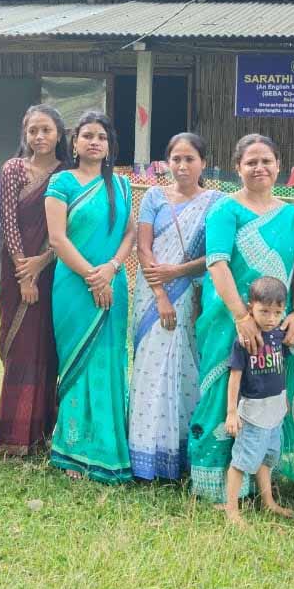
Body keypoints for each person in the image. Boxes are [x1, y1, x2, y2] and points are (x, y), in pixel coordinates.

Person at [188, 134, 294, 505]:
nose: (259, 168)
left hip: (276, 325)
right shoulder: (225, 210)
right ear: (237, 168)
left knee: (267, 389)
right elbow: (217, 264)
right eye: (251, 162)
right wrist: (241, 316)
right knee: (224, 389)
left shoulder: (290, 215)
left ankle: (260, 480)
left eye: (266, 161)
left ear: (278, 166)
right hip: (227, 318)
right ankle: (214, 481)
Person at [44, 111, 136, 482]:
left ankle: (108, 446)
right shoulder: (62, 182)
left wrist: (110, 269)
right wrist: (92, 277)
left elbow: (129, 234)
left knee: (110, 361)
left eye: (101, 137)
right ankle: (72, 450)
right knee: (76, 362)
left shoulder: (123, 186)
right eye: (87, 136)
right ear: (75, 142)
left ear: (110, 145)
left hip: (113, 283)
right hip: (73, 287)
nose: (94, 142)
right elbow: (57, 239)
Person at [130, 133, 222, 480]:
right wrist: (161, 294)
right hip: (153, 296)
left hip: (192, 296)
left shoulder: (215, 203)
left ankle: (182, 453)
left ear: (203, 163)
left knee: (186, 368)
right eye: (176, 159)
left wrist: (178, 272)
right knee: (151, 368)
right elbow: (144, 249)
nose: (182, 166)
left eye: (189, 159)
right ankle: (145, 451)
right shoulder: (154, 197)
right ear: (167, 163)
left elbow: (214, 255)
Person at [0, 105, 68, 458]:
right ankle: (13, 435)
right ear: (25, 134)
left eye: (46, 130)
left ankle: (42, 433)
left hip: (55, 272)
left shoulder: (67, 174)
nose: (39, 136)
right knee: (21, 349)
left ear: (59, 134)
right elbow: (8, 223)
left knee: (47, 349)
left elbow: (68, 229)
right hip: (17, 270)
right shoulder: (13, 169)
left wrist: (43, 262)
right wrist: (26, 274)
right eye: (33, 130)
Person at [223, 276, 294, 526]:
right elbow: (235, 377)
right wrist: (231, 412)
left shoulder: (279, 336)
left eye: (277, 312)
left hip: (274, 413)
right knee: (241, 461)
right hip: (253, 414)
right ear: (250, 307)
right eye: (264, 311)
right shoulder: (244, 341)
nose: (271, 318)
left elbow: (281, 369)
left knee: (267, 458)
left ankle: (268, 502)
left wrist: (283, 399)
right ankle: (231, 509)